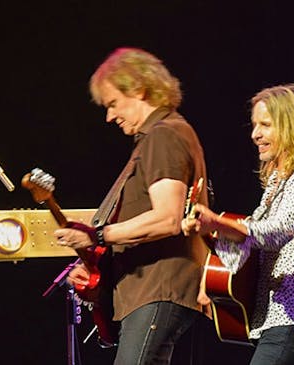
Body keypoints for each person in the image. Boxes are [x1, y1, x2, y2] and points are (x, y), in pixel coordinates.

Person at [55, 47, 208, 365]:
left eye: (113, 103)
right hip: (148, 291)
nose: (110, 116)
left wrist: (98, 236)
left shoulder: (164, 136)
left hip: (159, 287)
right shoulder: (160, 136)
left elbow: (168, 218)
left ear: (139, 89)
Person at [182, 83, 294, 364]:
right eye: (255, 125)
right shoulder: (277, 184)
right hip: (272, 319)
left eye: (266, 125)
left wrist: (217, 222)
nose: (255, 134)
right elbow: (248, 246)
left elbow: (276, 233)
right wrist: (208, 233)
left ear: (293, 127)